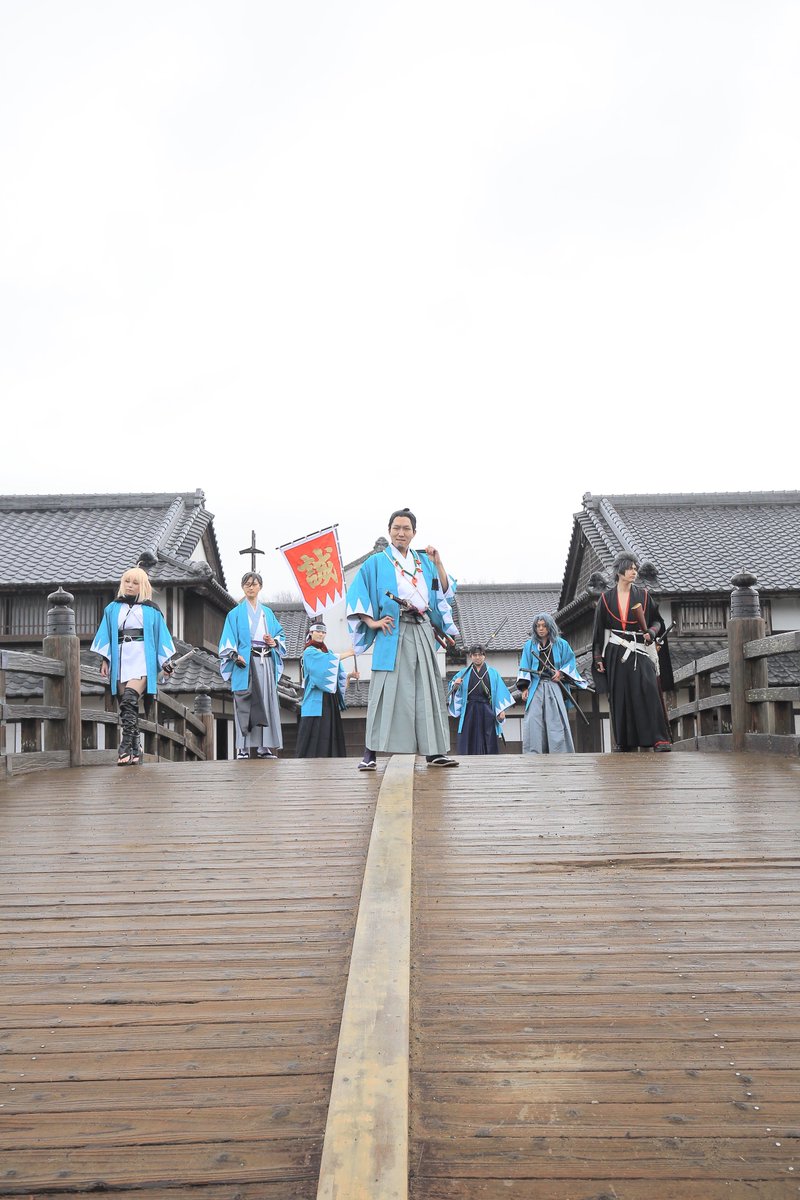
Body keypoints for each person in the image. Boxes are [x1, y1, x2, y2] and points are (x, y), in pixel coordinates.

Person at [346, 507, 459, 769]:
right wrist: (371, 622)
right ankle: (369, 754)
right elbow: (358, 594)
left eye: (406, 528)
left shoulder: (425, 561)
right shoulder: (376, 562)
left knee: (427, 689)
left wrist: (439, 562)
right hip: (392, 631)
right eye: (396, 528)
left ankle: (434, 752)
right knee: (384, 689)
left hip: (422, 629)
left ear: (414, 533)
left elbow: (444, 591)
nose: (401, 532)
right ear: (389, 531)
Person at [91, 566, 176, 766]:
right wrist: (105, 660)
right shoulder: (112, 608)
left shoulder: (152, 610)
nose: (130, 585)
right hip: (121, 658)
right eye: (127, 581)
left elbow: (162, 637)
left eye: (135, 582)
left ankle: (124, 747)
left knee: (130, 698)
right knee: (126, 706)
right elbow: (106, 634)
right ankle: (136, 749)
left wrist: (165, 663)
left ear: (143, 586)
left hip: (142, 658)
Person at [591, 553, 673, 752]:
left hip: (639, 649)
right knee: (620, 696)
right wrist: (598, 657)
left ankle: (659, 739)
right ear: (620, 570)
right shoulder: (605, 599)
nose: (634, 572)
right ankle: (625, 741)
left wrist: (651, 632)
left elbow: (657, 621)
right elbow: (598, 630)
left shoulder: (643, 596)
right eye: (630, 568)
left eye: (636, 569)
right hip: (615, 651)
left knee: (649, 688)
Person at [219, 572, 286, 760]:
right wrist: (234, 655)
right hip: (245, 663)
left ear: (260, 587)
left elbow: (280, 635)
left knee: (265, 702)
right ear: (242, 587)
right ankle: (243, 748)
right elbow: (227, 639)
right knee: (245, 703)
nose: (251, 587)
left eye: (254, 584)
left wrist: (273, 641)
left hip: (265, 662)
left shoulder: (268, 613)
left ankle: (264, 747)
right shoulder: (234, 614)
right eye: (247, 584)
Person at [516, 613, 587, 754]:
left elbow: (570, 662)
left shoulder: (561, 644)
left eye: (544, 626)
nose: (541, 629)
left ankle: (559, 753)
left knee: (556, 720)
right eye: (538, 626)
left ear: (550, 627)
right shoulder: (529, 646)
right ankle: (534, 753)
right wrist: (524, 688)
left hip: (554, 686)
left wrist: (560, 673)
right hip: (536, 686)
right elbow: (524, 665)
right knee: (533, 720)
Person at [296, 619, 358, 758]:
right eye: (318, 631)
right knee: (313, 733)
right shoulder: (309, 652)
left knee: (329, 732)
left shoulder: (327, 652)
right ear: (311, 633)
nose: (321, 634)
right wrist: (349, 653)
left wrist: (349, 676)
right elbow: (326, 664)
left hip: (329, 698)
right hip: (315, 698)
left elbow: (337, 674)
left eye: (323, 632)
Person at [448, 644, 514, 754]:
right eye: (474, 655)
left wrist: (501, 710)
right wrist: (455, 685)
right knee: (468, 735)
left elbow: (500, 692)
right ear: (470, 656)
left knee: (488, 736)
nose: (477, 657)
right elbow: (452, 687)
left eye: (480, 655)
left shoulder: (493, 673)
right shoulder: (463, 673)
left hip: (487, 709)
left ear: (484, 656)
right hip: (469, 709)